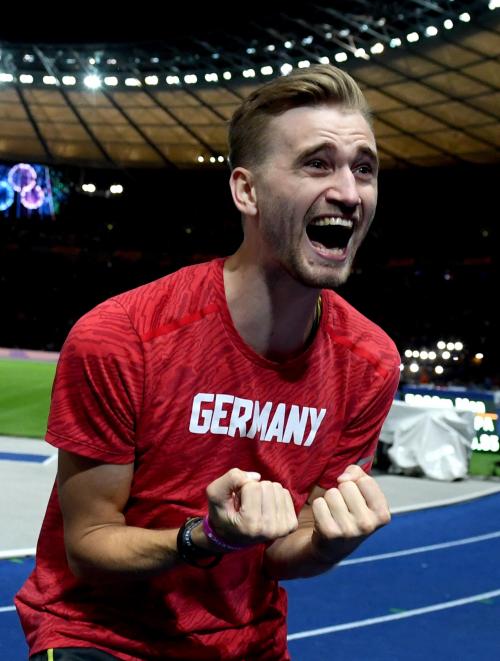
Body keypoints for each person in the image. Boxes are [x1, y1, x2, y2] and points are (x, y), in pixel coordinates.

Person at [16, 64, 401, 661]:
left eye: (364, 168)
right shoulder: (122, 337)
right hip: (100, 638)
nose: (349, 193)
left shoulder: (370, 363)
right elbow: (88, 544)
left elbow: (282, 552)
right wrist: (208, 537)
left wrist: (327, 543)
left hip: (246, 644)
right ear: (246, 191)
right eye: (317, 164)